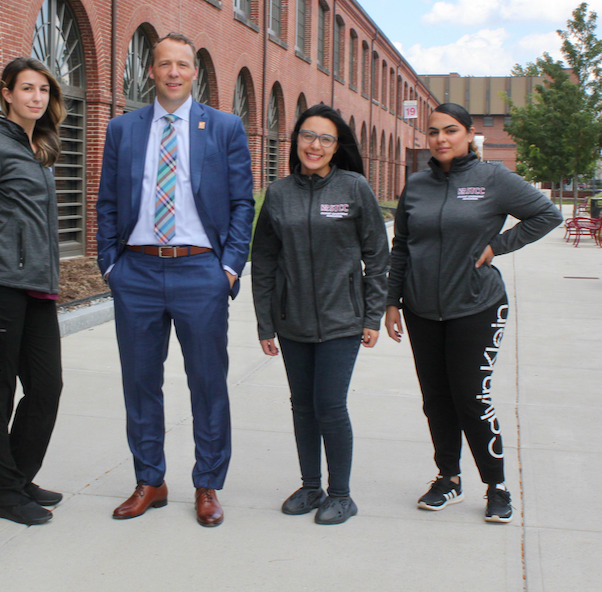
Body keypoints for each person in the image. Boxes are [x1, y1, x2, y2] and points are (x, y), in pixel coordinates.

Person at [96, 32, 254, 527]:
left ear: (194, 73)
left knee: (207, 383)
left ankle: (207, 484)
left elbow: (242, 203)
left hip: (199, 270)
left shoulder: (224, 127)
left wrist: (226, 269)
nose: (172, 72)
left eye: (182, 64)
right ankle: (150, 481)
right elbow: (106, 203)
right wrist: (110, 266)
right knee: (140, 382)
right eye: (164, 64)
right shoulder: (123, 129)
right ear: (151, 70)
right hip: (137, 270)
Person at [384, 102, 562, 523]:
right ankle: (448, 478)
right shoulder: (417, 185)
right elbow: (402, 246)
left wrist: (496, 246)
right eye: (433, 132)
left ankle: (496, 485)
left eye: (450, 130)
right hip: (422, 309)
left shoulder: (493, 179)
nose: (441, 139)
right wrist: (392, 301)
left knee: (471, 397)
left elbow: (546, 215)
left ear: (468, 135)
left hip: (476, 306)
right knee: (437, 400)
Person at [251, 104, 389, 525]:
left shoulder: (354, 188)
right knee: (302, 406)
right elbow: (264, 262)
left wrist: (371, 316)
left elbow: (377, 256)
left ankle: (341, 494)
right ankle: (311, 487)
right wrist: (265, 322)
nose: (315, 145)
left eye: (326, 138)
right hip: (292, 321)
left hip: (341, 320)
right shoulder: (278, 194)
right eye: (308, 136)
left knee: (329, 405)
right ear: (296, 141)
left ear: (336, 146)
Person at [0, 58, 66, 526]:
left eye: (43, 90)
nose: (36, 98)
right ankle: (5, 492)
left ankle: (20, 477)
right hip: (0, 288)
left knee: (47, 387)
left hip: (38, 290)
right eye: (27, 89)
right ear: (6, 93)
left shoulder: (38, 149)